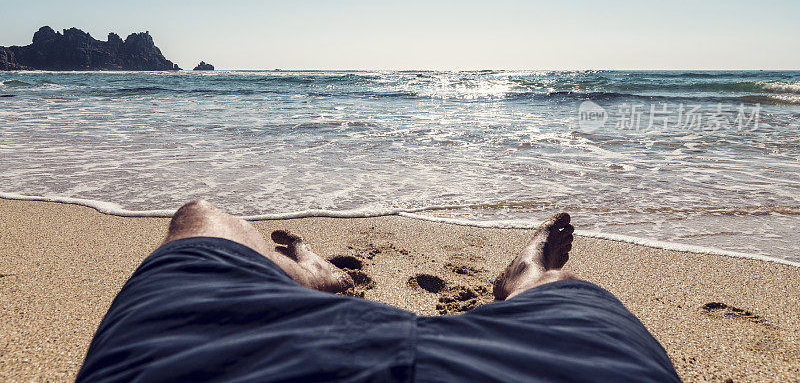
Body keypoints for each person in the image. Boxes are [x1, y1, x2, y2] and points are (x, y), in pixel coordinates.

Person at [76, 200, 680, 382]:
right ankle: (525, 282)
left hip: (211, 358)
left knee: (199, 219)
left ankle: (316, 277)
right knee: (567, 289)